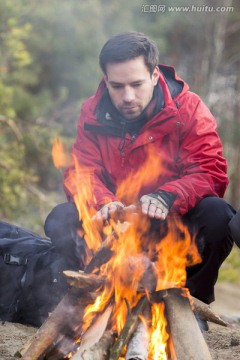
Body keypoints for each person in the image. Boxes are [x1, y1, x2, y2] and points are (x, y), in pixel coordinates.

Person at [44, 31, 235, 332]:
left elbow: (210, 170)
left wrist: (168, 196)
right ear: (105, 79)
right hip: (118, 230)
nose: (128, 97)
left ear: (155, 74)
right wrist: (103, 202)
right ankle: (102, 293)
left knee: (219, 215)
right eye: (117, 86)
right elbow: (82, 172)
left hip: (171, 227)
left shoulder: (189, 109)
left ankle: (188, 303)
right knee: (62, 218)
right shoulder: (92, 113)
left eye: (136, 84)